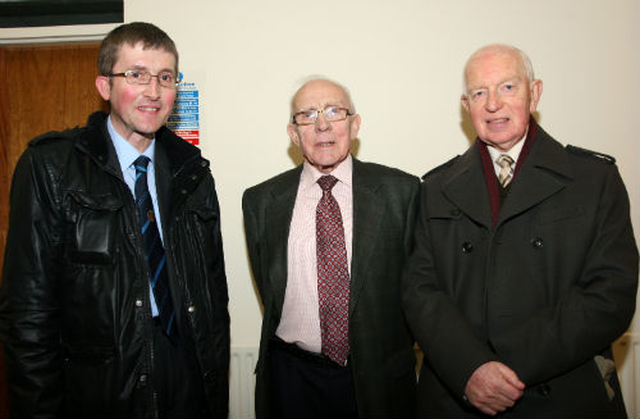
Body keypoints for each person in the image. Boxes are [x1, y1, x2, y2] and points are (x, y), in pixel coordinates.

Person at [0, 22, 229, 418]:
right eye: (136, 75)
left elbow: (214, 295)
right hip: (102, 385)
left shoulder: (193, 173)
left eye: (165, 77)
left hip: (185, 372)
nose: (153, 91)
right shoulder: (51, 167)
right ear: (105, 86)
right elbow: (28, 315)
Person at [402, 43, 639, 417]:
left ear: (535, 93)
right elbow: (419, 291)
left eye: (508, 87)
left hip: (562, 393)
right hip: (457, 395)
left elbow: (612, 294)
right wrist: (471, 368)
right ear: (467, 107)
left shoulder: (594, 180)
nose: (493, 103)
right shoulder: (434, 188)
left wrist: (506, 365)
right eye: (480, 93)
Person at [242, 77, 420, 418]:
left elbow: (417, 289)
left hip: (377, 378)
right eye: (307, 115)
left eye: (334, 112)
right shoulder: (262, 201)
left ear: (355, 125)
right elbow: (271, 289)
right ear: (294, 134)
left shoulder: (403, 192)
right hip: (292, 379)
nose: (322, 124)